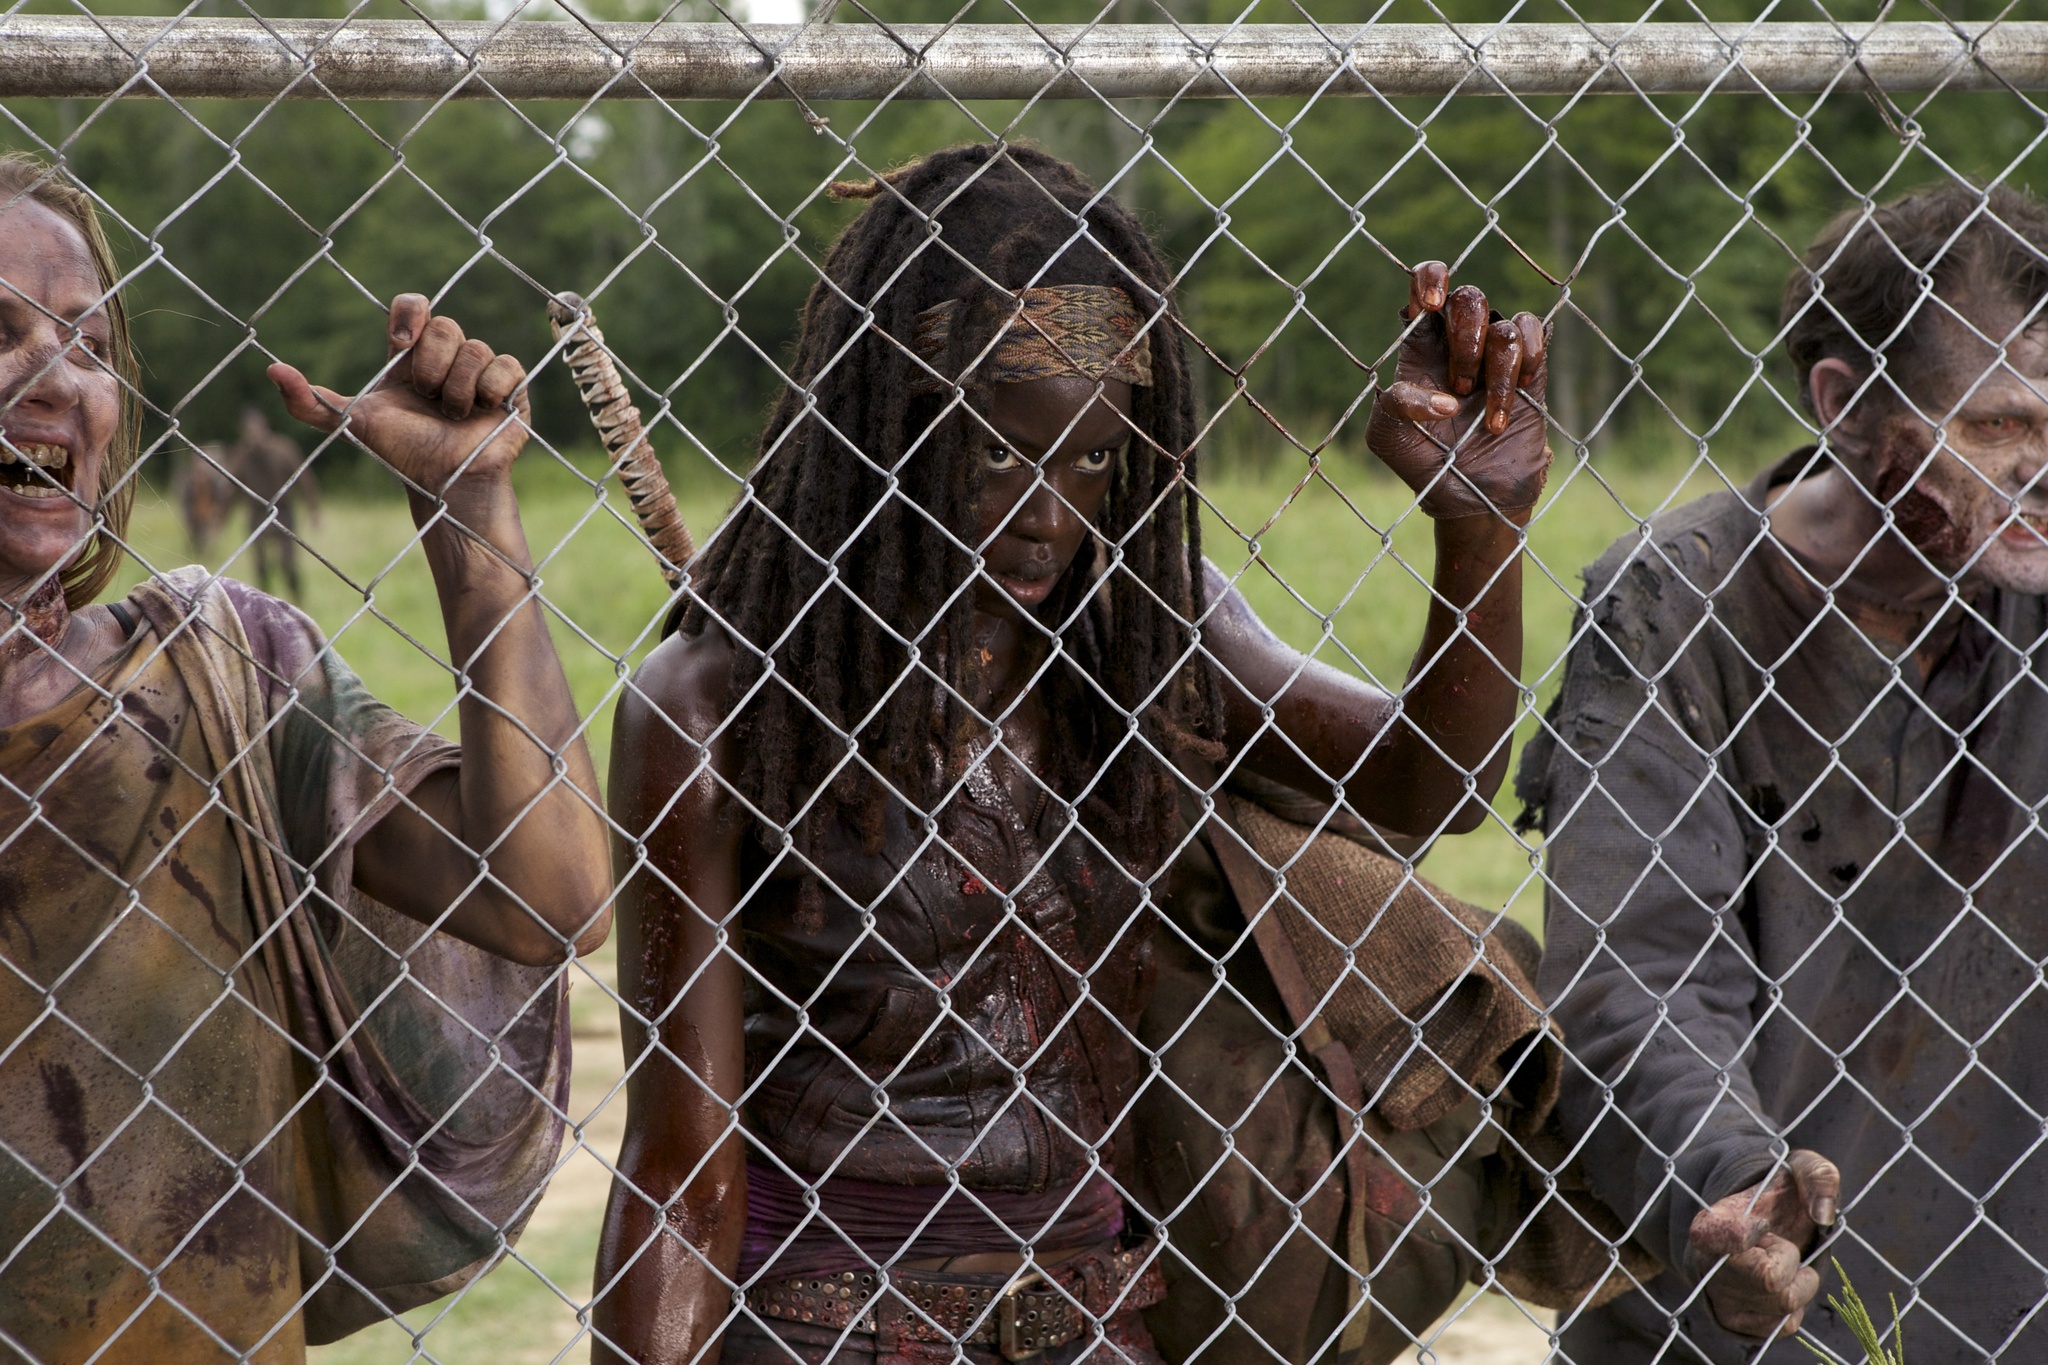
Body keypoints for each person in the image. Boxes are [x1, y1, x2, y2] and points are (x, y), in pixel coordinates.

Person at [593, 142, 1551, 1364]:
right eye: (997, 452)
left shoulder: (1139, 628)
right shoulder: (720, 705)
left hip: (1092, 1316)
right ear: (886, 419)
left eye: (1092, 457)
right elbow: (682, 1170)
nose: (1050, 511)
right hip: (824, 1321)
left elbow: (1434, 788)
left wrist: (1479, 530)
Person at [0, 153, 612, 1361]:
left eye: (87, 342)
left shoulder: (217, 674)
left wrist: (470, 516)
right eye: (0, 334)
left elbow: (550, 897)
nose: (57, 383)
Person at [1520, 182, 2048, 1362]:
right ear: (1844, 403)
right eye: (2000, 425)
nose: (2040, 467)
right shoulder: (1676, 595)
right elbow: (1634, 969)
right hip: (1740, 1305)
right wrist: (1739, 1189)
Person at [225, 405, 319, 599]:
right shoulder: (242, 456)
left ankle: (297, 598)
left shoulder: (283, 449)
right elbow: (231, 490)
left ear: (264, 427)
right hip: (257, 514)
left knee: (288, 563)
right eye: (248, 431)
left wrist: (314, 510)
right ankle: (265, 603)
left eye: (256, 430)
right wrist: (220, 517)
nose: (253, 436)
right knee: (260, 566)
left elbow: (305, 480)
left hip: (284, 512)